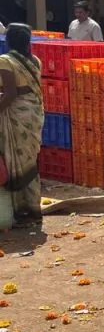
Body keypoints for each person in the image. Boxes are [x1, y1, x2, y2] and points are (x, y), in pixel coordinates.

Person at [0, 23, 45, 226]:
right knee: (29, 160)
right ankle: (33, 206)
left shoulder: (5, 61)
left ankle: (23, 209)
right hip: (33, 113)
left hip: (16, 113)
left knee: (15, 161)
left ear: (9, 41)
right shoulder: (35, 60)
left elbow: (10, 94)